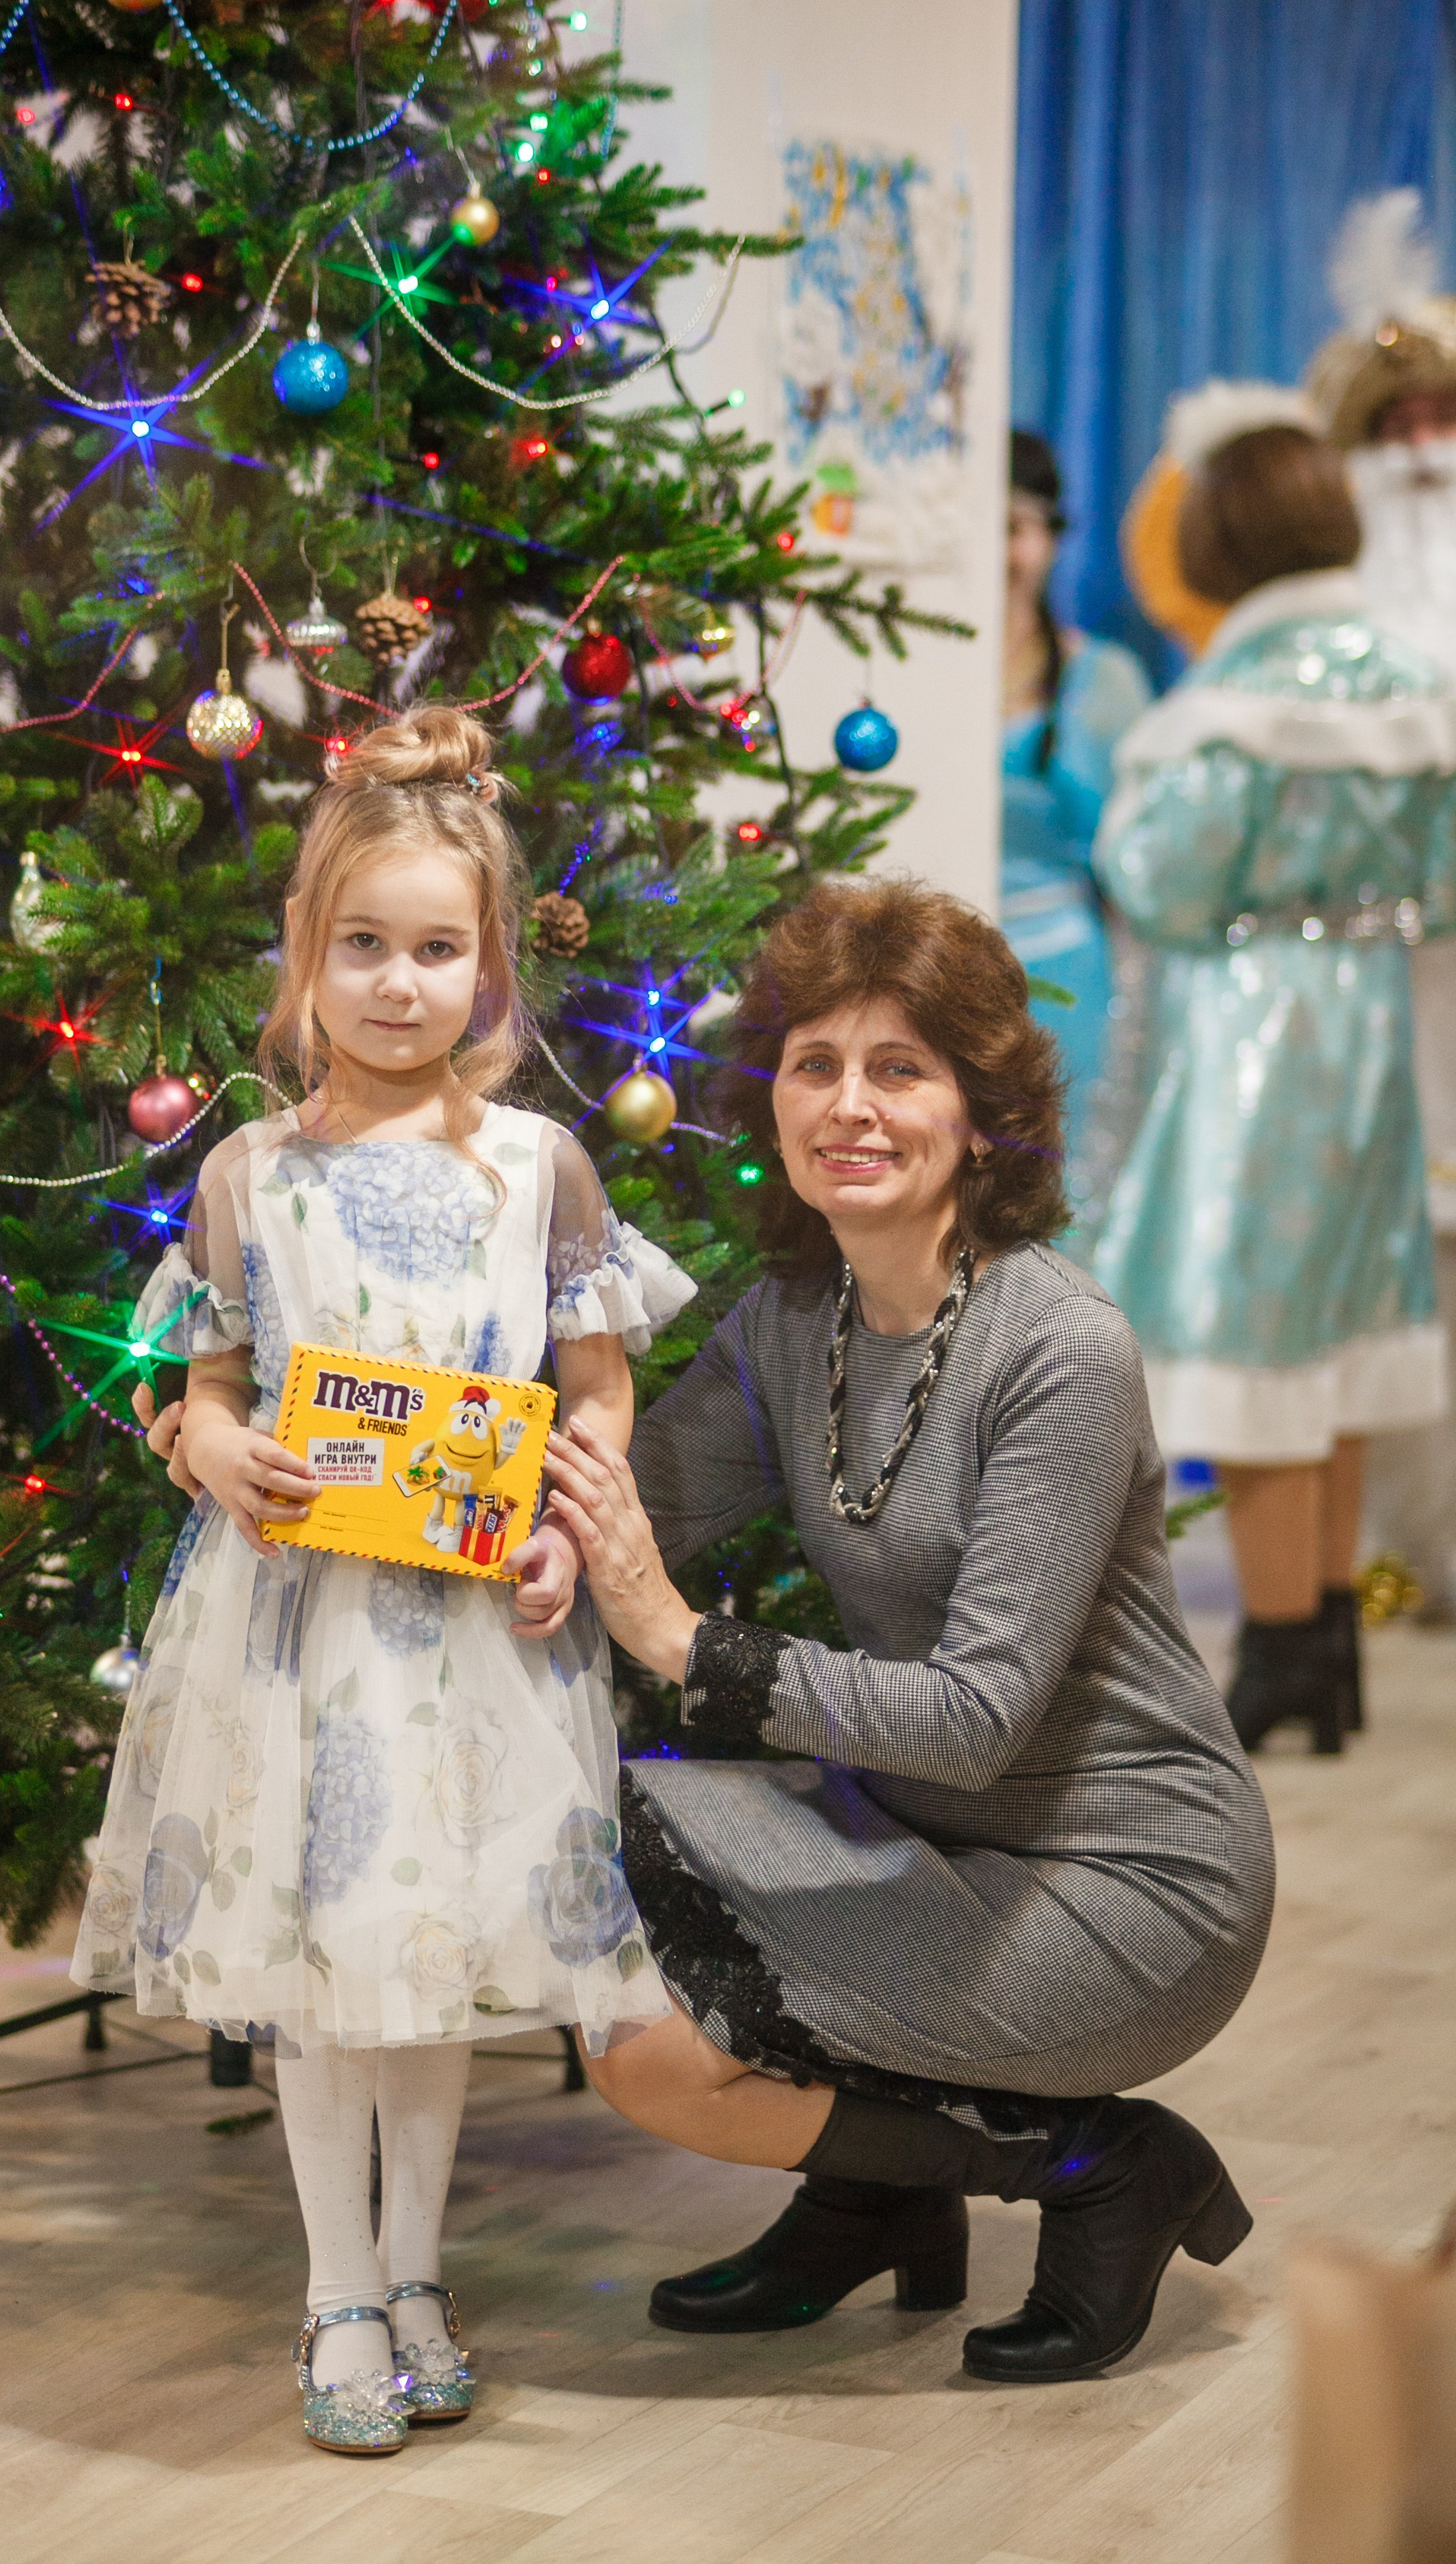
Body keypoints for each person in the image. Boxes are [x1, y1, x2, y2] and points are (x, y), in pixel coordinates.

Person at [535, 876, 1274, 2386]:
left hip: (1125, 1885)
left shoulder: (1055, 1346)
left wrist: (682, 1642)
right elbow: (610, 1501)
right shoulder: (785, 1319)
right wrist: (292, 1453)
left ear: (978, 1109)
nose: (848, 1106)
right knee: (593, 1894)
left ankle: (1094, 2165)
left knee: (651, 2050)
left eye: (899, 1068)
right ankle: (875, 2192)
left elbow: (974, 1713)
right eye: (814, 1064)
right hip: (934, 1841)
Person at [74, 707, 693, 2457]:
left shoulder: (535, 1173)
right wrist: (209, 1448)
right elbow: (195, 1385)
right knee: (319, 1958)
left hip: (476, 1639)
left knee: (422, 1957)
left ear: (488, 970)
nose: (399, 984)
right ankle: (337, 2284)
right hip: (292, 1636)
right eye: (364, 946)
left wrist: (573, 1526)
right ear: (308, 957)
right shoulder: (247, 1177)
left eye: (437, 950)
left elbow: (594, 1385)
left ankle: (418, 2267)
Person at [1088, 390, 1456, 1753]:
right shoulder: (1415, 681)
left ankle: (1275, 1643)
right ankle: (1323, 1649)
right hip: (1366, 1012)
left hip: (1250, 1021)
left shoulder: (1226, 702)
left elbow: (1158, 879)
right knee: (1349, 1330)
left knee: (1251, 1336)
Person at [1306, 190, 1456, 1615]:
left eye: (1440, 425)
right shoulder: (1317, 628)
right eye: (1392, 429)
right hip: (1354, 996)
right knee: (1381, 1269)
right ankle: (1397, 1547)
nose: (1420, 455)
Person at [1001, 430, 1152, 1214]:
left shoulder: (1103, 680)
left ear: (1051, 540)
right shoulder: (902, 673)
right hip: (936, 975)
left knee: (1062, 1191)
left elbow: (1139, 857)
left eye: (1016, 528)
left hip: (1066, 980)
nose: (1001, 553)